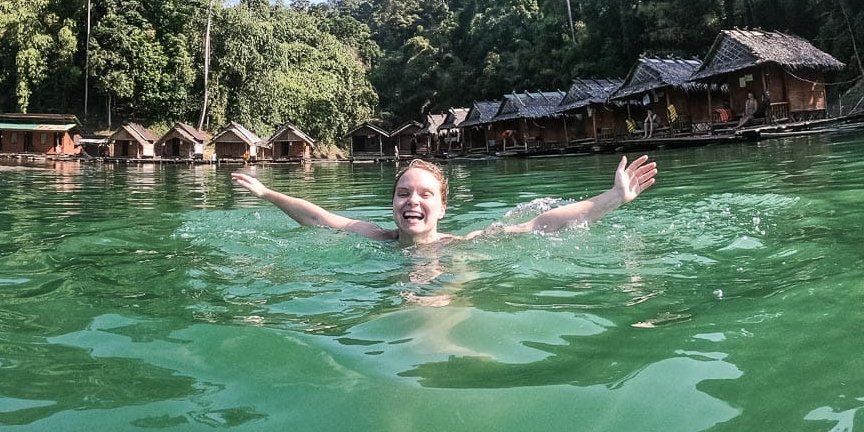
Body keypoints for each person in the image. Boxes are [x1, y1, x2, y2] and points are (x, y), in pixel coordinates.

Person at [231, 155, 658, 246]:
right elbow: (320, 218)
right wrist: (268, 193)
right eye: (403, 193)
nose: (412, 201)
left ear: (442, 207)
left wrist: (613, 198)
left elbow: (541, 225)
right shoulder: (376, 238)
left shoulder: (461, 245)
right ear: (392, 203)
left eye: (424, 193)